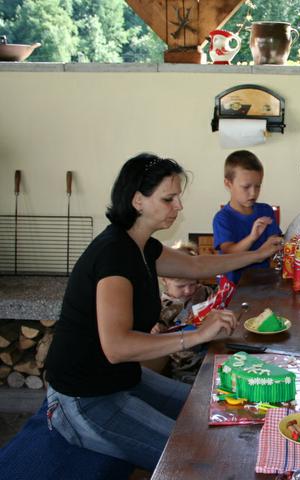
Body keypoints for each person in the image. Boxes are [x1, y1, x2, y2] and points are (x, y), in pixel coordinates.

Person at [44, 153, 282, 471]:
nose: (179, 206)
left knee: (216, 408)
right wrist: (196, 335)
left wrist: (257, 254)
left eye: (177, 197)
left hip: (123, 379)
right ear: (137, 201)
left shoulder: (142, 246)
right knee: (197, 457)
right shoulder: (114, 255)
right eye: (169, 199)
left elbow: (198, 265)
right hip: (84, 398)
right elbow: (117, 347)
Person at [143, 240, 213, 383]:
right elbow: (151, 344)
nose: (188, 291)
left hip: (211, 355)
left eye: (192, 284)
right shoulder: (158, 308)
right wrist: (153, 331)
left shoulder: (205, 292)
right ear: (164, 280)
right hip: (183, 370)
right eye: (180, 286)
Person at [213, 150, 282, 283]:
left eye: (258, 186)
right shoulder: (222, 218)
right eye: (246, 187)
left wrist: (275, 244)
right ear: (228, 184)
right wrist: (252, 238)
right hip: (233, 288)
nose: (253, 193)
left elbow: (274, 243)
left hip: (262, 284)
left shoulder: (266, 210)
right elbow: (229, 253)